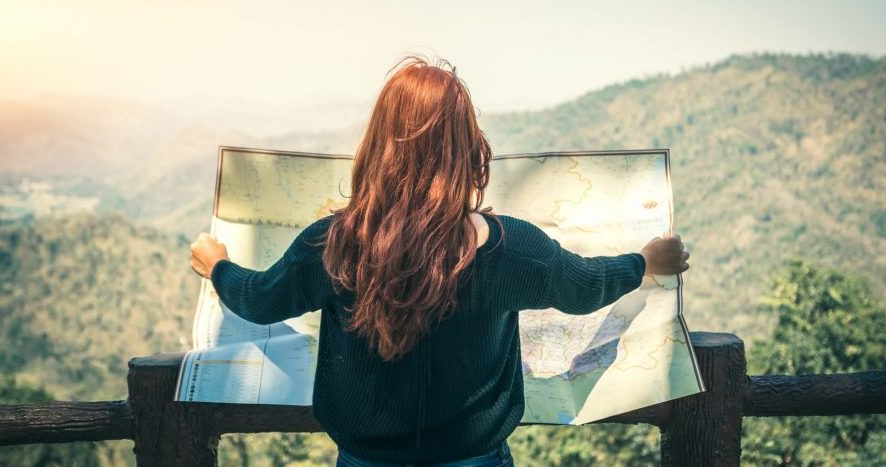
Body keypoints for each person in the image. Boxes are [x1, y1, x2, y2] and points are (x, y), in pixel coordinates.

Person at [189, 54, 690, 467]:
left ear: (378, 144)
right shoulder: (508, 249)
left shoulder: (333, 245)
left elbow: (258, 300)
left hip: (364, 459)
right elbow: (583, 287)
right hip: (475, 458)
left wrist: (217, 266)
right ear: (466, 146)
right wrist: (643, 262)